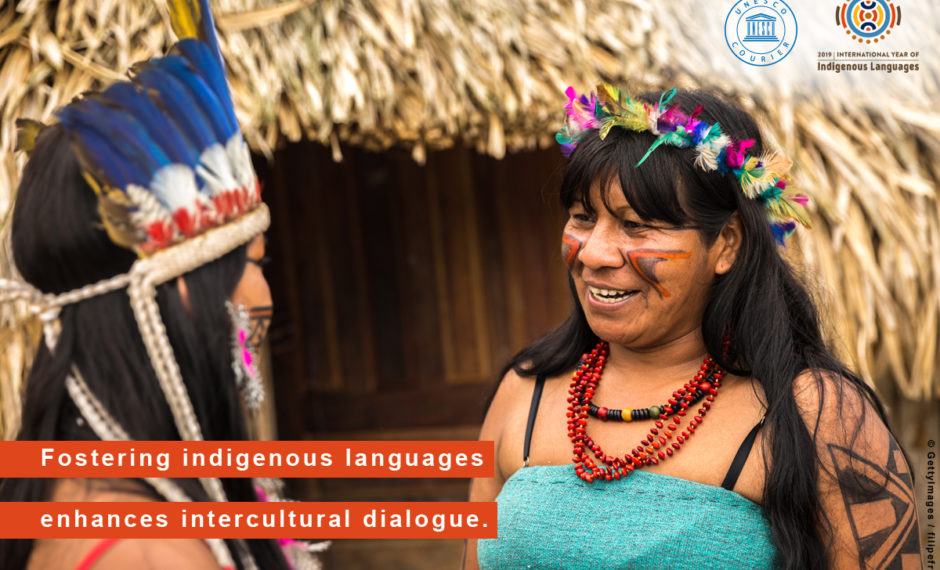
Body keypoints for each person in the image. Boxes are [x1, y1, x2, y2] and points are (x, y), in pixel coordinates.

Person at [466, 84, 921, 569]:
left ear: (726, 244)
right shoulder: (524, 393)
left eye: (636, 225)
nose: (594, 254)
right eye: (582, 217)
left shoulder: (815, 414)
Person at [0, 2, 321, 568]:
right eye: (256, 264)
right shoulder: (148, 553)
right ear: (184, 289)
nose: (266, 301)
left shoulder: (71, 495)